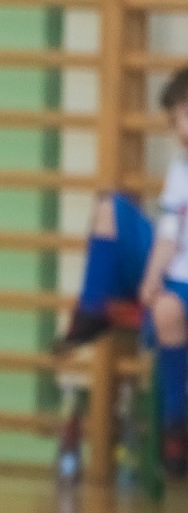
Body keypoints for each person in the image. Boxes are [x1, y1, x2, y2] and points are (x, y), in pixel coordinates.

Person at [53, 67, 188, 476]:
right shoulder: (181, 171)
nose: (178, 129)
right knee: (108, 206)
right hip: (176, 277)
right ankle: (93, 309)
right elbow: (167, 234)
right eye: (175, 120)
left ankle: (175, 425)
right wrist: (150, 279)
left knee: (167, 314)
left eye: (182, 116)